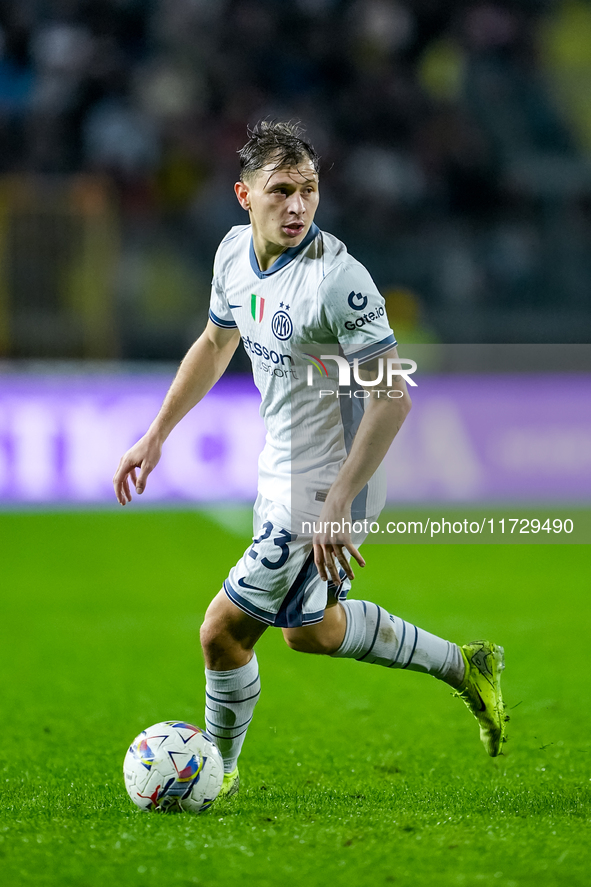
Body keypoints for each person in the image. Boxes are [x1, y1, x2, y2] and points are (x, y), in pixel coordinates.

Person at [113, 121, 507, 801]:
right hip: (282, 469)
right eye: (282, 190)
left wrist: (335, 503)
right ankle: (465, 664)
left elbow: (391, 398)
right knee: (311, 632)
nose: (297, 206)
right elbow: (214, 342)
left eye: (309, 190)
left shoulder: (340, 280)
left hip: (329, 481)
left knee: (221, 633)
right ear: (244, 195)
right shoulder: (234, 255)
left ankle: (216, 770)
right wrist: (156, 433)